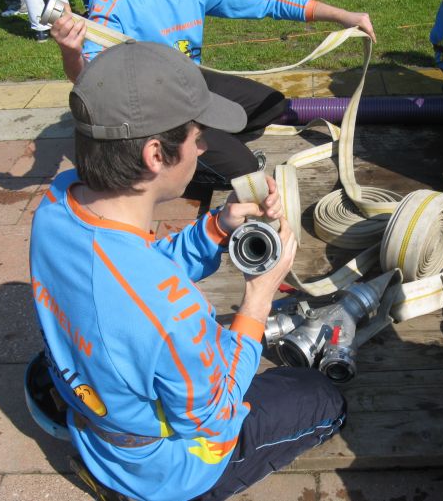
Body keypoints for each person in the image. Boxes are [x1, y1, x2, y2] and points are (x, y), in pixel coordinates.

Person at [29, 40, 345, 501]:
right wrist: (259, 298)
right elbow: (216, 412)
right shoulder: (171, 315)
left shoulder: (58, 201)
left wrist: (216, 228)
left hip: (94, 413)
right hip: (164, 471)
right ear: (156, 154)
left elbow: (131, 269)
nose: (203, 148)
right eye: (198, 137)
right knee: (322, 398)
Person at [50, 0, 376, 198]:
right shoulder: (114, 3)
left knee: (271, 105)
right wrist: (70, 52)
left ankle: (203, 141)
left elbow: (269, 1)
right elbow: (91, 79)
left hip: (188, 82)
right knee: (246, 171)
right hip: (154, 110)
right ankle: (161, 173)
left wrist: (345, 16)